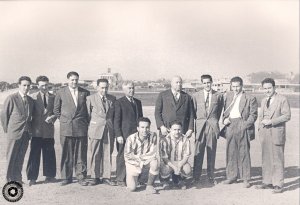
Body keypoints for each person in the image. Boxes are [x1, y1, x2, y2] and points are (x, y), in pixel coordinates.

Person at [53, 71, 90, 186]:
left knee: (81, 154)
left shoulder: (85, 92)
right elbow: (56, 110)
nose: (74, 82)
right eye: (72, 79)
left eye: (76, 80)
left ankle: (81, 176)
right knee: (66, 154)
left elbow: (88, 110)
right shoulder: (60, 92)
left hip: (81, 127)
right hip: (66, 127)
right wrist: (65, 120)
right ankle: (66, 177)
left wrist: (84, 122)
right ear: (68, 80)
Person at [221, 76, 258, 188]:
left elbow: (253, 115)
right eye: (234, 86)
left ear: (242, 86)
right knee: (230, 152)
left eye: (238, 86)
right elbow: (225, 113)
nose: (236, 89)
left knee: (244, 152)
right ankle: (232, 176)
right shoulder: (228, 96)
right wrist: (224, 120)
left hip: (242, 124)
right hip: (230, 125)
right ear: (231, 86)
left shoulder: (250, 97)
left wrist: (245, 125)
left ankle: (246, 178)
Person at [256, 78, 291, 194]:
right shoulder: (263, 100)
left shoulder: (282, 99)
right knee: (266, 158)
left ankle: (278, 184)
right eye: (265, 88)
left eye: (269, 88)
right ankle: (267, 181)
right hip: (265, 133)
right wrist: (260, 128)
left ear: (274, 87)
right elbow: (261, 116)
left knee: (277, 159)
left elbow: (287, 116)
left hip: (276, 132)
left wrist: (271, 122)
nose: (267, 90)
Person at [1, 76, 34, 183]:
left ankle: (18, 178)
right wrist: (9, 130)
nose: (26, 88)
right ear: (19, 85)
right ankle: (9, 179)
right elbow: (4, 116)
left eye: (28, 85)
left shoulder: (30, 100)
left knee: (20, 157)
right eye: (24, 85)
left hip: (26, 133)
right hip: (14, 133)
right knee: (11, 156)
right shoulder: (11, 98)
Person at [192, 75, 223, 185]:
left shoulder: (218, 96)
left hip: (212, 126)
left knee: (211, 152)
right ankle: (196, 176)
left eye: (209, 82)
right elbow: (194, 112)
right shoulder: (195, 96)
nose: (207, 85)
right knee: (198, 151)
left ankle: (211, 175)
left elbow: (218, 112)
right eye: (204, 83)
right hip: (200, 127)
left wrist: (213, 121)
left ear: (212, 82)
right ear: (202, 83)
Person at [26, 76, 57, 186]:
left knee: (49, 153)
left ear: (49, 84)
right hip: (36, 131)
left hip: (48, 131)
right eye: (42, 85)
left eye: (46, 85)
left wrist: (53, 117)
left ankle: (50, 175)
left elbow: (56, 112)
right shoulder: (32, 97)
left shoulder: (53, 97)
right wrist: (30, 130)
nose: (44, 87)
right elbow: (28, 114)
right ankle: (32, 177)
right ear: (38, 85)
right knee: (34, 154)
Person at [86, 79, 117, 186]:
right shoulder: (90, 99)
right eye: (102, 87)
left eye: (106, 87)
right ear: (97, 87)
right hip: (95, 129)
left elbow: (113, 116)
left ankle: (106, 177)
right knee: (95, 153)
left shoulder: (112, 99)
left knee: (107, 153)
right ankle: (94, 177)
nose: (104, 90)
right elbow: (87, 116)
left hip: (108, 129)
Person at [114, 81, 143, 186]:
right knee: (122, 156)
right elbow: (116, 121)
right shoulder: (119, 102)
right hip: (124, 135)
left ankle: (135, 178)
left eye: (133, 88)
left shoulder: (138, 102)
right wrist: (118, 135)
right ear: (124, 90)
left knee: (136, 156)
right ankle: (120, 179)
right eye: (129, 88)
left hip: (136, 135)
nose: (132, 90)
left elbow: (141, 120)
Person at [124, 117, 159, 194]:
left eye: (147, 127)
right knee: (132, 188)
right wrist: (139, 163)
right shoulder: (130, 138)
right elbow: (127, 156)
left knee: (155, 162)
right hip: (134, 163)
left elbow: (153, 153)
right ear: (138, 128)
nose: (145, 130)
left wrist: (141, 161)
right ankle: (137, 177)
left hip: (144, 161)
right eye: (142, 127)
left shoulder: (153, 136)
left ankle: (149, 185)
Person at [160, 121, 192, 190]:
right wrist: (174, 167)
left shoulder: (185, 139)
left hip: (180, 161)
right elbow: (165, 158)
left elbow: (186, 155)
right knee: (165, 169)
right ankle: (165, 181)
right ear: (170, 130)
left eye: (179, 129)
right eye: (174, 130)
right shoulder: (165, 140)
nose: (177, 132)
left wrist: (180, 165)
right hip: (169, 162)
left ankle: (180, 180)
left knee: (187, 170)